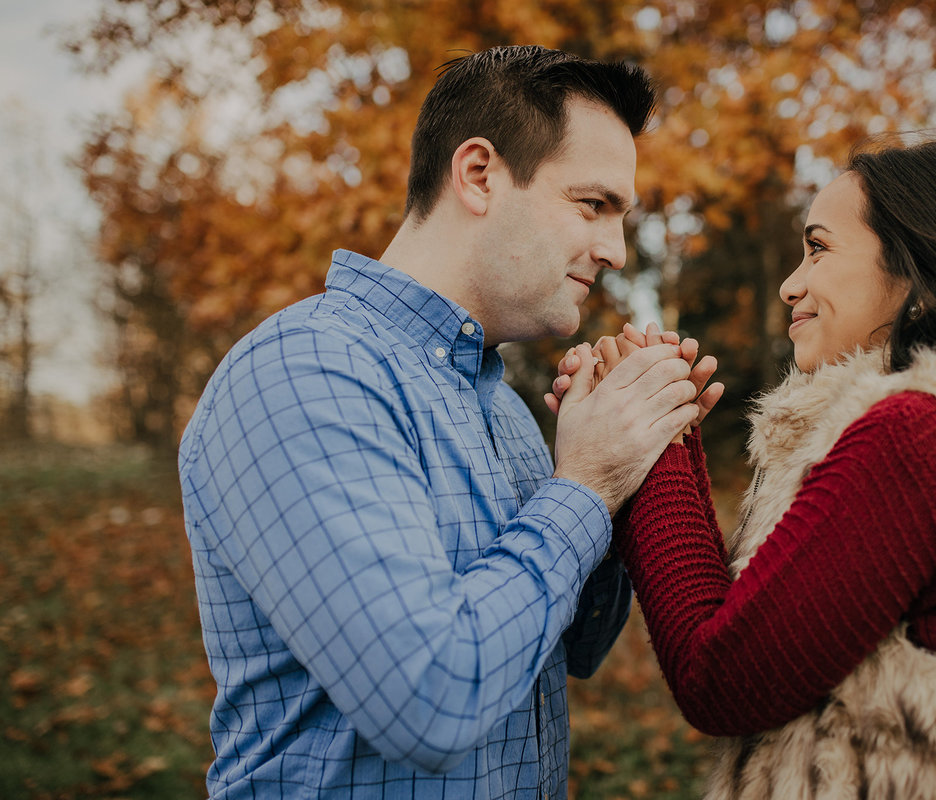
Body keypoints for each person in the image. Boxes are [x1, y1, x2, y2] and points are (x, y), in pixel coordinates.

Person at [178, 45, 708, 800]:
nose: (615, 251)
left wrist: (635, 460)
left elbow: (576, 647)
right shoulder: (305, 372)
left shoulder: (503, 409)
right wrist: (587, 485)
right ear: (479, 175)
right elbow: (429, 697)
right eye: (593, 205)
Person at [552, 138, 936, 798]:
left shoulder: (915, 437)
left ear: (920, 273)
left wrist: (648, 445)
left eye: (818, 248)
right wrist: (661, 433)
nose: (793, 283)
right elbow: (758, 629)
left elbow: (722, 682)